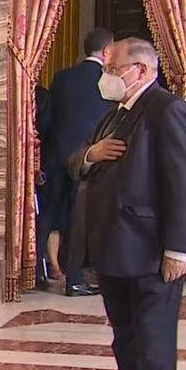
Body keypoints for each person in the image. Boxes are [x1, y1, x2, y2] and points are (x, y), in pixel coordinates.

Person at [68, 38, 186, 370]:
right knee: (125, 337)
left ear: (140, 70)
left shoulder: (166, 110)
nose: (106, 76)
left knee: (153, 339)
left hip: (148, 250)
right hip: (112, 248)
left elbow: (182, 185)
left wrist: (177, 250)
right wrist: (92, 153)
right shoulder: (114, 114)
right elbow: (75, 163)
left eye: (113, 67)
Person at [37, 28, 115, 296]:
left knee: (46, 215)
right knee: (77, 219)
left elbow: (47, 119)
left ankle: (37, 273)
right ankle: (75, 280)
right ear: (106, 52)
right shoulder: (110, 81)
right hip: (89, 158)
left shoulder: (62, 78)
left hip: (56, 156)